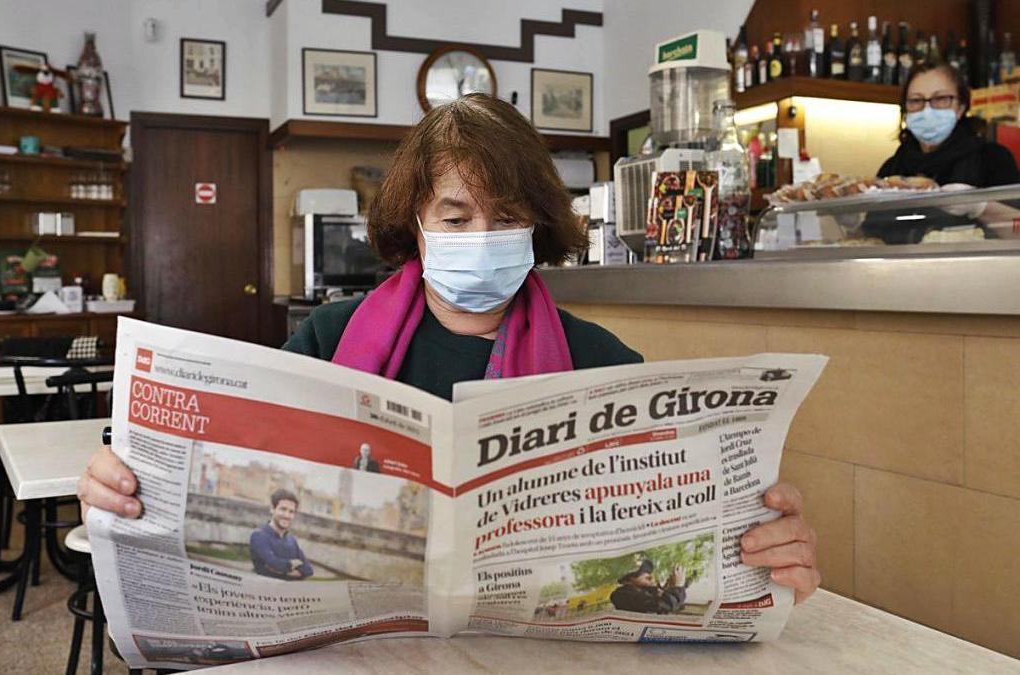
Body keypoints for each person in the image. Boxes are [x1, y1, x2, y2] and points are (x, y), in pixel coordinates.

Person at [79, 94, 821, 605]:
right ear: (417, 222)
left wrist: (759, 555)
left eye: (506, 218)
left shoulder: (605, 366)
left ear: (538, 228)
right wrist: (127, 489)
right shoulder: (327, 340)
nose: (481, 239)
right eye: (456, 216)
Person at [878, 61, 1020, 187]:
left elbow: (1014, 213)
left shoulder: (992, 158)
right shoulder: (893, 167)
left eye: (940, 98)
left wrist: (979, 208)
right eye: (916, 100)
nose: (927, 110)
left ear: (961, 108)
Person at [248, 489, 314, 581]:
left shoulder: (292, 541)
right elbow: (272, 563)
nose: (287, 515)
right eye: (283, 509)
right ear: (272, 509)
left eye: (291, 512)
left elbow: (308, 570)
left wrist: (280, 570)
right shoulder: (259, 536)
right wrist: (292, 565)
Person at [609, 559, 687, 615]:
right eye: (642, 574)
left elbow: (675, 607)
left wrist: (669, 590)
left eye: (649, 572)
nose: (651, 577)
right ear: (627, 580)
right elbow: (660, 605)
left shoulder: (647, 592)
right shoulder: (622, 595)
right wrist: (677, 587)